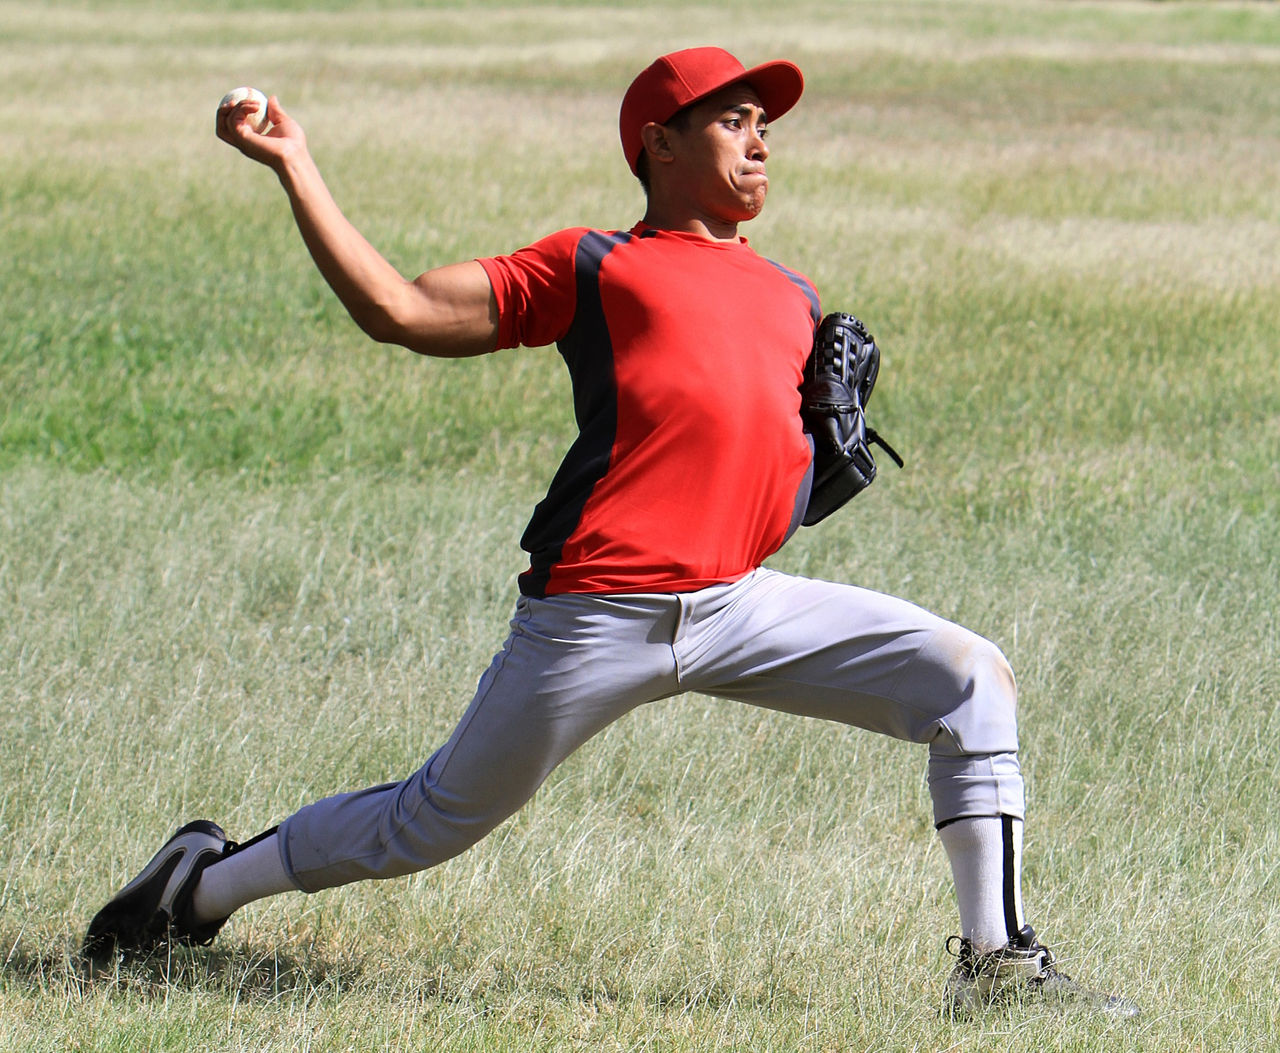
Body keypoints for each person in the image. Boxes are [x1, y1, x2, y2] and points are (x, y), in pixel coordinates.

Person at [84, 47, 1134, 1016]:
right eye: (731, 120)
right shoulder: (593, 267)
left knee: (966, 676)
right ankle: (199, 885)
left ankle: (995, 964)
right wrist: (294, 163)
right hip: (594, 615)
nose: (760, 140)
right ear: (658, 144)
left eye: (763, 122)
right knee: (431, 822)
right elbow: (398, 310)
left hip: (737, 602)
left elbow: (773, 470)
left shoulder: (790, 295)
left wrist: (812, 465)